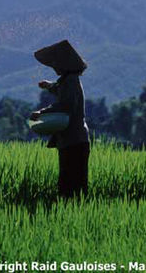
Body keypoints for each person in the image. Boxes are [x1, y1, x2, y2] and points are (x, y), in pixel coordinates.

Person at [30, 40, 90, 198]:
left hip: (74, 141)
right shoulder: (68, 80)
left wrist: (41, 113)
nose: (54, 67)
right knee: (72, 182)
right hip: (74, 140)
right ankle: (72, 210)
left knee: (70, 183)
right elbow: (61, 91)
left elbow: (66, 105)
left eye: (56, 64)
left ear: (65, 65)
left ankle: (73, 211)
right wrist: (49, 86)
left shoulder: (70, 81)